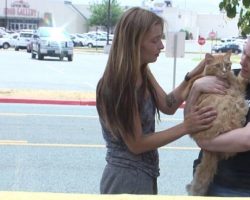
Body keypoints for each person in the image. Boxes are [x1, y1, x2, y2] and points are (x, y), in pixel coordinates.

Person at [96, 7, 227, 194]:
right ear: (134, 43)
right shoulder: (120, 84)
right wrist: (186, 126)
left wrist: (192, 76)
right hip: (125, 179)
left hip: (145, 174)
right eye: (154, 40)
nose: (161, 46)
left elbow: (168, 105)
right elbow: (137, 144)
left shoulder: (142, 72)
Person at [186, 38, 250, 197]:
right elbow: (189, 119)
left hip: (240, 188)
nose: (242, 61)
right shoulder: (229, 75)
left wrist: (203, 141)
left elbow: (247, 139)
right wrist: (195, 88)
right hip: (211, 179)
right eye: (244, 53)